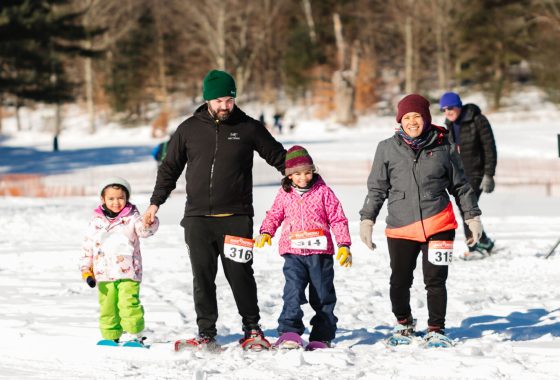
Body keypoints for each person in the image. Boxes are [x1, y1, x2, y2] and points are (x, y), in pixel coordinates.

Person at [142, 70, 286, 351]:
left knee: (241, 274)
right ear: (207, 99)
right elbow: (169, 169)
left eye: (229, 100)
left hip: (236, 217)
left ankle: (252, 329)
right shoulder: (188, 129)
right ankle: (206, 332)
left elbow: (278, 156)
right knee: (203, 278)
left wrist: (299, 173)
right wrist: (155, 203)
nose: (224, 106)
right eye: (219, 100)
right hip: (197, 219)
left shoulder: (249, 127)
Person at [359, 94, 483, 348]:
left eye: (417, 116)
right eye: (407, 117)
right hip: (401, 226)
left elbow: (460, 186)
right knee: (400, 280)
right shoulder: (386, 148)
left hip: (439, 223)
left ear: (426, 118)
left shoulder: (444, 146)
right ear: (399, 121)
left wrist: (472, 216)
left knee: (436, 280)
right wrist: (367, 219)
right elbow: (377, 188)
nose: (412, 122)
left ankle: (436, 328)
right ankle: (403, 323)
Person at [255, 145, 352, 350]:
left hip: (320, 253)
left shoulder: (324, 192)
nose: (303, 178)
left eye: (307, 172)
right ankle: (290, 332)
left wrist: (344, 245)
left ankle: (322, 335)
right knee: (293, 291)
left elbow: (338, 219)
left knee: (323, 295)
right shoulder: (284, 193)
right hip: (293, 253)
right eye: (297, 174)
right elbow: (274, 214)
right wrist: (266, 231)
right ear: (289, 176)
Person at [80, 177, 159, 347]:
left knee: (128, 304)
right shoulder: (96, 222)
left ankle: (133, 335)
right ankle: (111, 335)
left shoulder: (133, 218)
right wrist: (86, 268)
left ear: (127, 198)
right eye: (111, 198)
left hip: (128, 271)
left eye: (121, 198)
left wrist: (149, 222)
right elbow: (88, 247)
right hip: (103, 273)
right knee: (107, 306)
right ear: (103, 199)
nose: (116, 202)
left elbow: (144, 231)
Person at [439, 92, 497, 258]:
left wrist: (489, 174)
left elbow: (489, 148)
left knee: (466, 208)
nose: (447, 112)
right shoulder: (449, 124)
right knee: (465, 208)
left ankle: (474, 247)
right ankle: (484, 241)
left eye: (450, 108)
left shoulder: (478, 120)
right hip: (459, 174)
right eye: (443, 109)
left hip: (476, 172)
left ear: (458, 106)